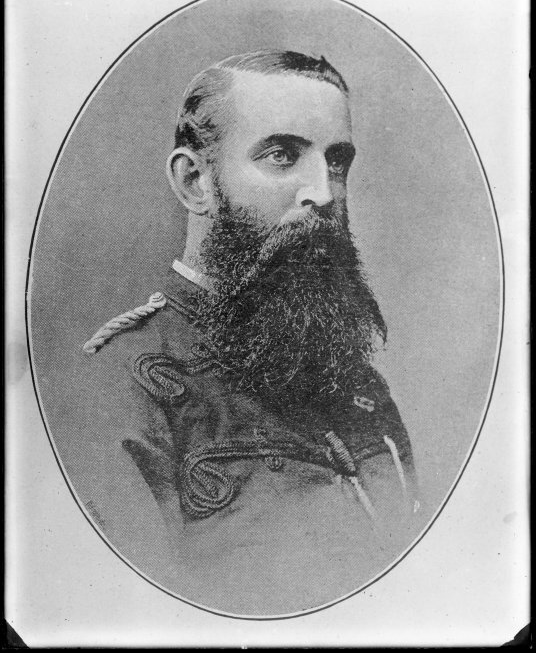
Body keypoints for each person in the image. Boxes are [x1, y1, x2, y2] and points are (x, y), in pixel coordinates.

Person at [77, 50, 422, 615]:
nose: (324, 194)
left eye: (336, 162)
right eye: (282, 155)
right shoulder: (118, 388)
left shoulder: (362, 391)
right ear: (195, 182)